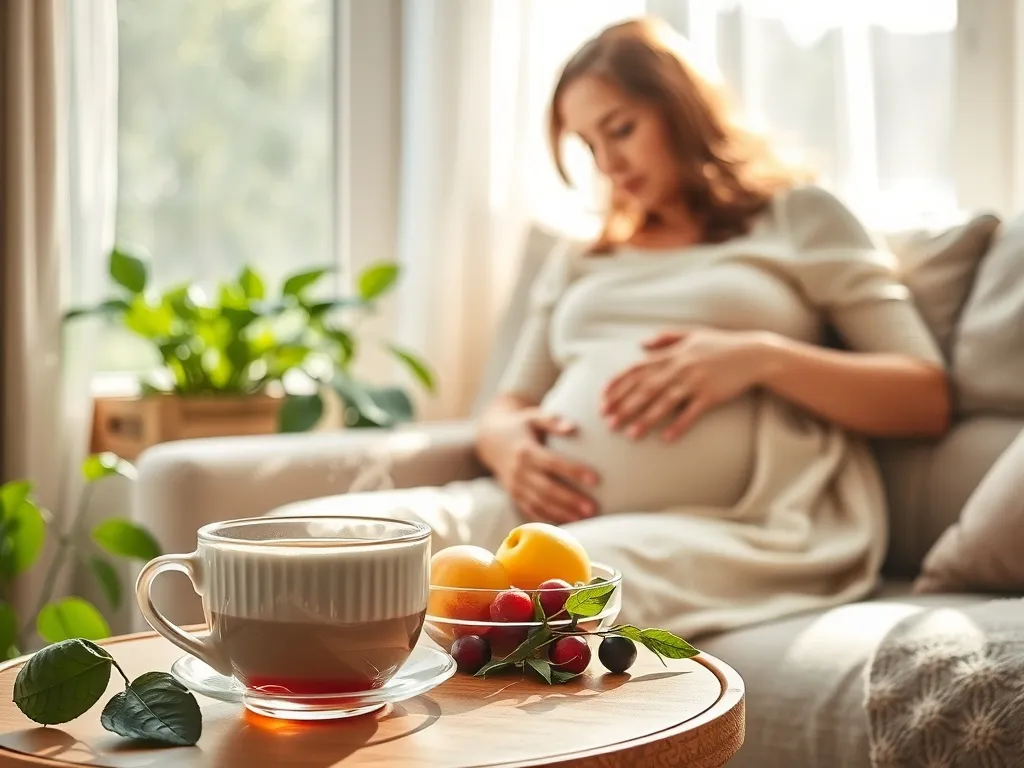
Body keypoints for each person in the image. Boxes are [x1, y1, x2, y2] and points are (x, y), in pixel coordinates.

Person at [279, 17, 951, 639]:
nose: (608, 165)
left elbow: (924, 396)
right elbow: (506, 406)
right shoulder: (582, 256)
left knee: (555, 599)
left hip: (737, 526)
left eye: (621, 129)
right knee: (307, 541)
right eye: (588, 145)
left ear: (681, 109)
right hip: (536, 519)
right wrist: (510, 444)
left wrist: (759, 359)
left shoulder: (799, 217)